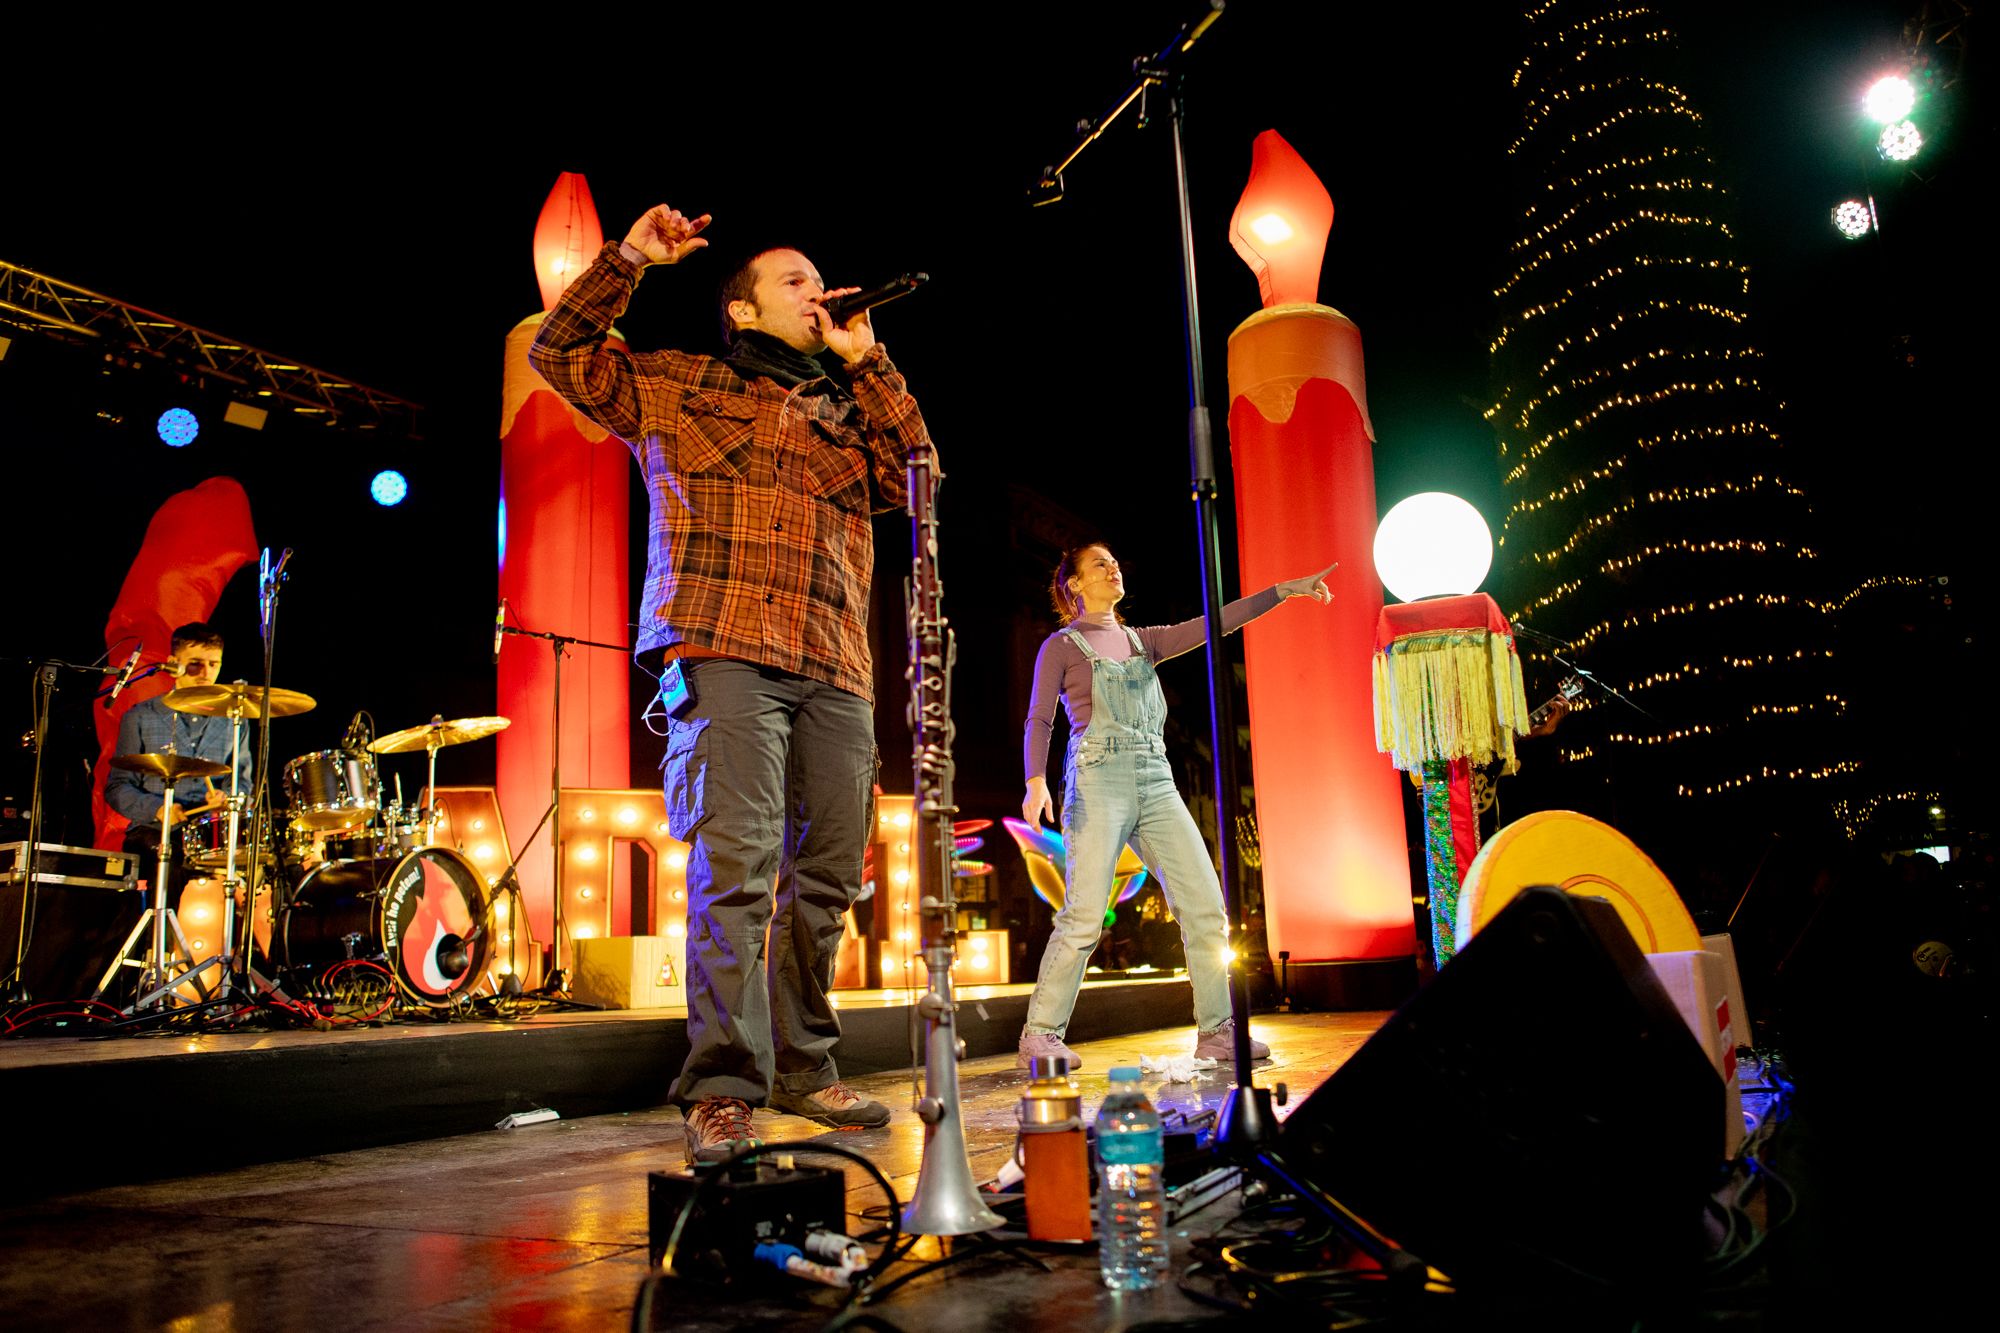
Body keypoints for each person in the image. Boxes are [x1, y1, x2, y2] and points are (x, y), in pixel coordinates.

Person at [530, 204, 928, 1161]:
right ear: (743, 312)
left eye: (819, 281)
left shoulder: (848, 414)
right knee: (738, 872)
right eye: (794, 282)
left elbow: (920, 478)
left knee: (829, 875)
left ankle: (803, 1066)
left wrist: (868, 362)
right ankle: (721, 1085)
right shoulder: (678, 384)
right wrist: (629, 260)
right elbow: (561, 352)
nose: (817, 293)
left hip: (835, 663)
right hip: (724, 647)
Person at [1019, 545, 1336, 1070]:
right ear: (1074, 585)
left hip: (1156, 776)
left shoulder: (1145, 642)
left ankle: (1216, 1030)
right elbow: (1039, 719)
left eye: (1116, 560)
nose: (1113, 566)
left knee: (1206, 906)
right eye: (1099, 564)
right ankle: (1041, 1034)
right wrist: (1035, 781)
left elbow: (1217, 623)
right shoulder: (1061, 646)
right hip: (1098, 778)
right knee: (1083, 917)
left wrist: (1283, 591)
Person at [103, 622, 248, 887]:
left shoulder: (234, 719)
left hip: (213, 835)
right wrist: (157, 809)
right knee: (169, 862)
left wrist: (227, 797)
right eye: (195, 663)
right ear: (173, 663)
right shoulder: (140, 716)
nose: (205, 673)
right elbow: (117, 787)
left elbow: (244, 781)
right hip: (153, 831)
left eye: (214, 664)